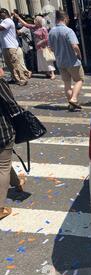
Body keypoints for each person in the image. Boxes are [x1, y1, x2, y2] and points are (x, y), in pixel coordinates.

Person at [49, 11, 84, 112]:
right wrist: (79, 55)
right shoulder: (68, 31)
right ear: (65, 19)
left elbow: (51, 48)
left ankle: (71, 105)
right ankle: (74, 99)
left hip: (60, 61)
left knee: (67, 83)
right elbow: (75, 46)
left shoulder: (51, 31)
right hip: (72, 61)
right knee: (79, 80)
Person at [0, 67, 23, 220]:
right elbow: (10, 103)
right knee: (3, 166)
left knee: (4, 161)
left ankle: (17, 182)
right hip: (2, 130)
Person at [14, 14, 56, 80]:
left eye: (36, 20)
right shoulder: (35, 27)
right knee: (42, 60)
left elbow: (47, 38)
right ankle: (47, 72)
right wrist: (18, 17)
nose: (34, 21)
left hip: (44, 46)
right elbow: (26, 24)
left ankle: (52, 73)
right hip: (38, 47)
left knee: (47, 60)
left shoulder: (43, 29)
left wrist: (41, 42)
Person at [0, 8, 30, 86]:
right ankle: (15, 78)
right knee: (10, 65)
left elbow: (1, 28)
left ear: (4, 13)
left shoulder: (7, 21)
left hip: (11, 46)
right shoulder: (5, 21)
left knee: (15, 64)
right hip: (6, 46)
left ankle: (22, 79)